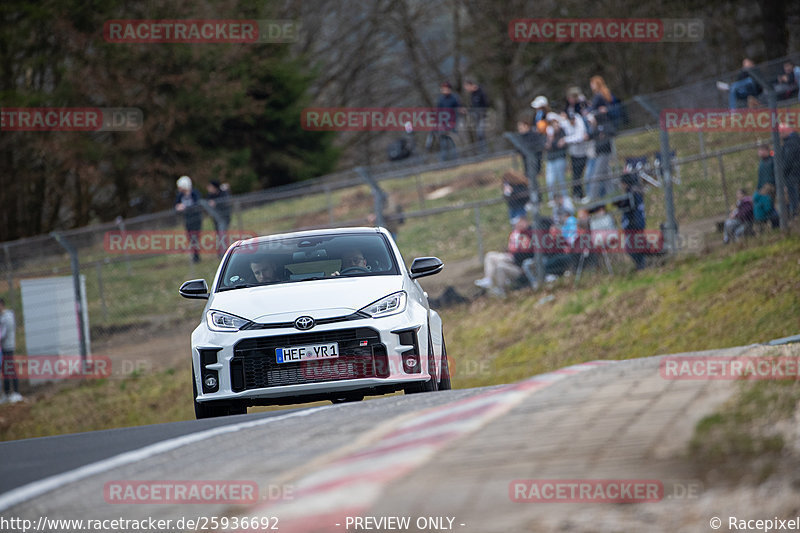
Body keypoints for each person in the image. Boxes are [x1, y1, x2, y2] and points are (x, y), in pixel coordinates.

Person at [474, 216, 534, 297]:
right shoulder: (517, 233)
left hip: (519, 268)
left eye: (519, 223)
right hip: (512, 261)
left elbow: (525, 254)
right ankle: (490, 281)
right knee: (490, 256)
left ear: (524, 222)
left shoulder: (530, 233)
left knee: (500, 266)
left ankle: (501, 290)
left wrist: (513, 255)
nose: (516, 225)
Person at [618, 173, 647, 269]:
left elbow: (628, 206)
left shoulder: (632, 193)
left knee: (630, 248)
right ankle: (642, 263)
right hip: (638, 223)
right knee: (636, 245)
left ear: (625, 183)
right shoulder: (634, 191)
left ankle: (641, 264)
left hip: (634, 224)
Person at [516, 113, 545, 198]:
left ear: (526, 126)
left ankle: (536, 199)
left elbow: (537, 147)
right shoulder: (521, 137)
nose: (519, 129)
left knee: (532, 181)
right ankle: (534, 198)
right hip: (526, 163)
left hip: (534, 162)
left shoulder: (533, 135)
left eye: (521, 127)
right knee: (530, 181)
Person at [174, 175, 203, 263]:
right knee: (190, 237)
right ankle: (195, 256)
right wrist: (178, 207)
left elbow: (197, 203)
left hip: (196, 218)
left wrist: (186, 207)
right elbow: (176, 205)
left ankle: (196, 256)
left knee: (196, 236)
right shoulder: (180, 196)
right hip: (187, 219)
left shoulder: (194, 193)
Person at [563, 110, 590, 198]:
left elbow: (579, 137)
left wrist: (566, 140)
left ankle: (579, 193)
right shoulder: (565, 124)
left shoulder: (579, 121)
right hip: (573, 154)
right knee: (576, 174)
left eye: (573, 119)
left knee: (582, 174)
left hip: (583, 153)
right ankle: (577, 194)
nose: (572, 121)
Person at [0, 298, 21, 404]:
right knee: (5, 370)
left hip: (8, 347)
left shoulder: (7, 318)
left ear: (2, 305)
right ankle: (7, 394)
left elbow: (3, 334)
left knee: (10, 369)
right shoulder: (3, 317)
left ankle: (16, 393)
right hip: (4, 347)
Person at [544, 112, 569, 202]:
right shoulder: (548, 132)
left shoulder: (562, 131)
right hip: (550, 159)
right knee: (550, 180)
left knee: (561, 178)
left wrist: (555, 140)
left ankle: (564, 197)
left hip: (560, 157)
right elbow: (547, 146)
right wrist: (550, 139)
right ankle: (553, 198)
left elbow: (561, 144)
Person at [436, 81, 461, 161]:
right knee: (443, 144)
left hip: (452, 124)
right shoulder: (440, 100)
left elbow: (458, 111)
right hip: (443, 125)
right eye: (443, 89)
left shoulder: (454, 98)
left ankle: (455, 161)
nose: (444, 90)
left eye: (446, 89)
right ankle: (443, 163)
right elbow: (438, 113)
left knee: (453, 143)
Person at [206, 180, 232, 257]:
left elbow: (225, 201)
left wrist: (216, 203)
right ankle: (221, 252)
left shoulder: (223, 193)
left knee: (222, 234)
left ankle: (223, 253)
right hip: (216, 219)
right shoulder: (210, 195)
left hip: (224, 218)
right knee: (219, 235)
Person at [780, 124, 800, 217]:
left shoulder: (790, 143)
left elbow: (788, 161)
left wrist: (781, 171)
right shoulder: (795, 140)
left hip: (792, 175)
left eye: (781, 133)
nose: (780, 135)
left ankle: (795, 215)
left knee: (794, 198)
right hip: (794, 174)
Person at [464, 79, 490, 152]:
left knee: (481, 134)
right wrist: (468, 110)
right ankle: (482, 151)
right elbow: (473, 107)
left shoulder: (481, 92)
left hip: (483, 117)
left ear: (470, 85)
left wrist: (483, 113)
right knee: (479, 135)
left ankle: (485, 151)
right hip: (476, 117)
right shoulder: (472, 95)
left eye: (467, 87)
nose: (467, 90)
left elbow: (486, 104)